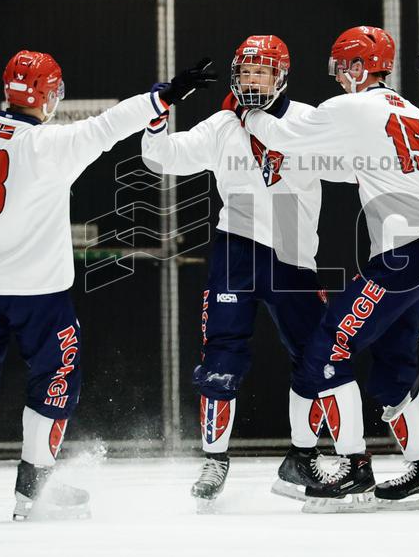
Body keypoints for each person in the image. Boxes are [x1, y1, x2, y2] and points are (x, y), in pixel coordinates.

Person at [0, 29, 214, 522]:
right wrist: (166, 94)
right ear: (47, 96)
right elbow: (112, 123)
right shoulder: (54, 145)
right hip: (40, 297)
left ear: (7, 90)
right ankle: (33, 486)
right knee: (54, 379)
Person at [242, 26, 419, 513]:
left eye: (342, 67)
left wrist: (249, 109)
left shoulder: (349, 108)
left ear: (360, 67)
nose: (338, 77)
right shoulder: (412, 113)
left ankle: (354, 469)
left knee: (326, 349)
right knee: (394, 371)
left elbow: (285, 135)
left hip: (397, 259)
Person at [141, 35, 329, 511]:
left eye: (261, 72)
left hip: (292, 244)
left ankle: (302, 456)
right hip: (237, 242)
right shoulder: (224, 124)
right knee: (221, 356)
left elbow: (362, 157)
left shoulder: (311, 119)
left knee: (315, 357)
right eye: (244, 72)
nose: (250, 80)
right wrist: (158, 113)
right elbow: (161, 158)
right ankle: (215, 458)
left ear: (281, 76)